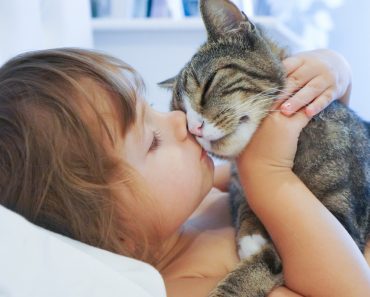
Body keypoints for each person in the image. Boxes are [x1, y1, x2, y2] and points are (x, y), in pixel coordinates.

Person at [0, 48, 368, 297]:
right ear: (117, 230)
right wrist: (269, 177)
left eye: (153, 107)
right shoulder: (186, 285)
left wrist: (332, 72)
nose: (180, 120)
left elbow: (333, 160)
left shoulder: (198, 199)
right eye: (152, 141)